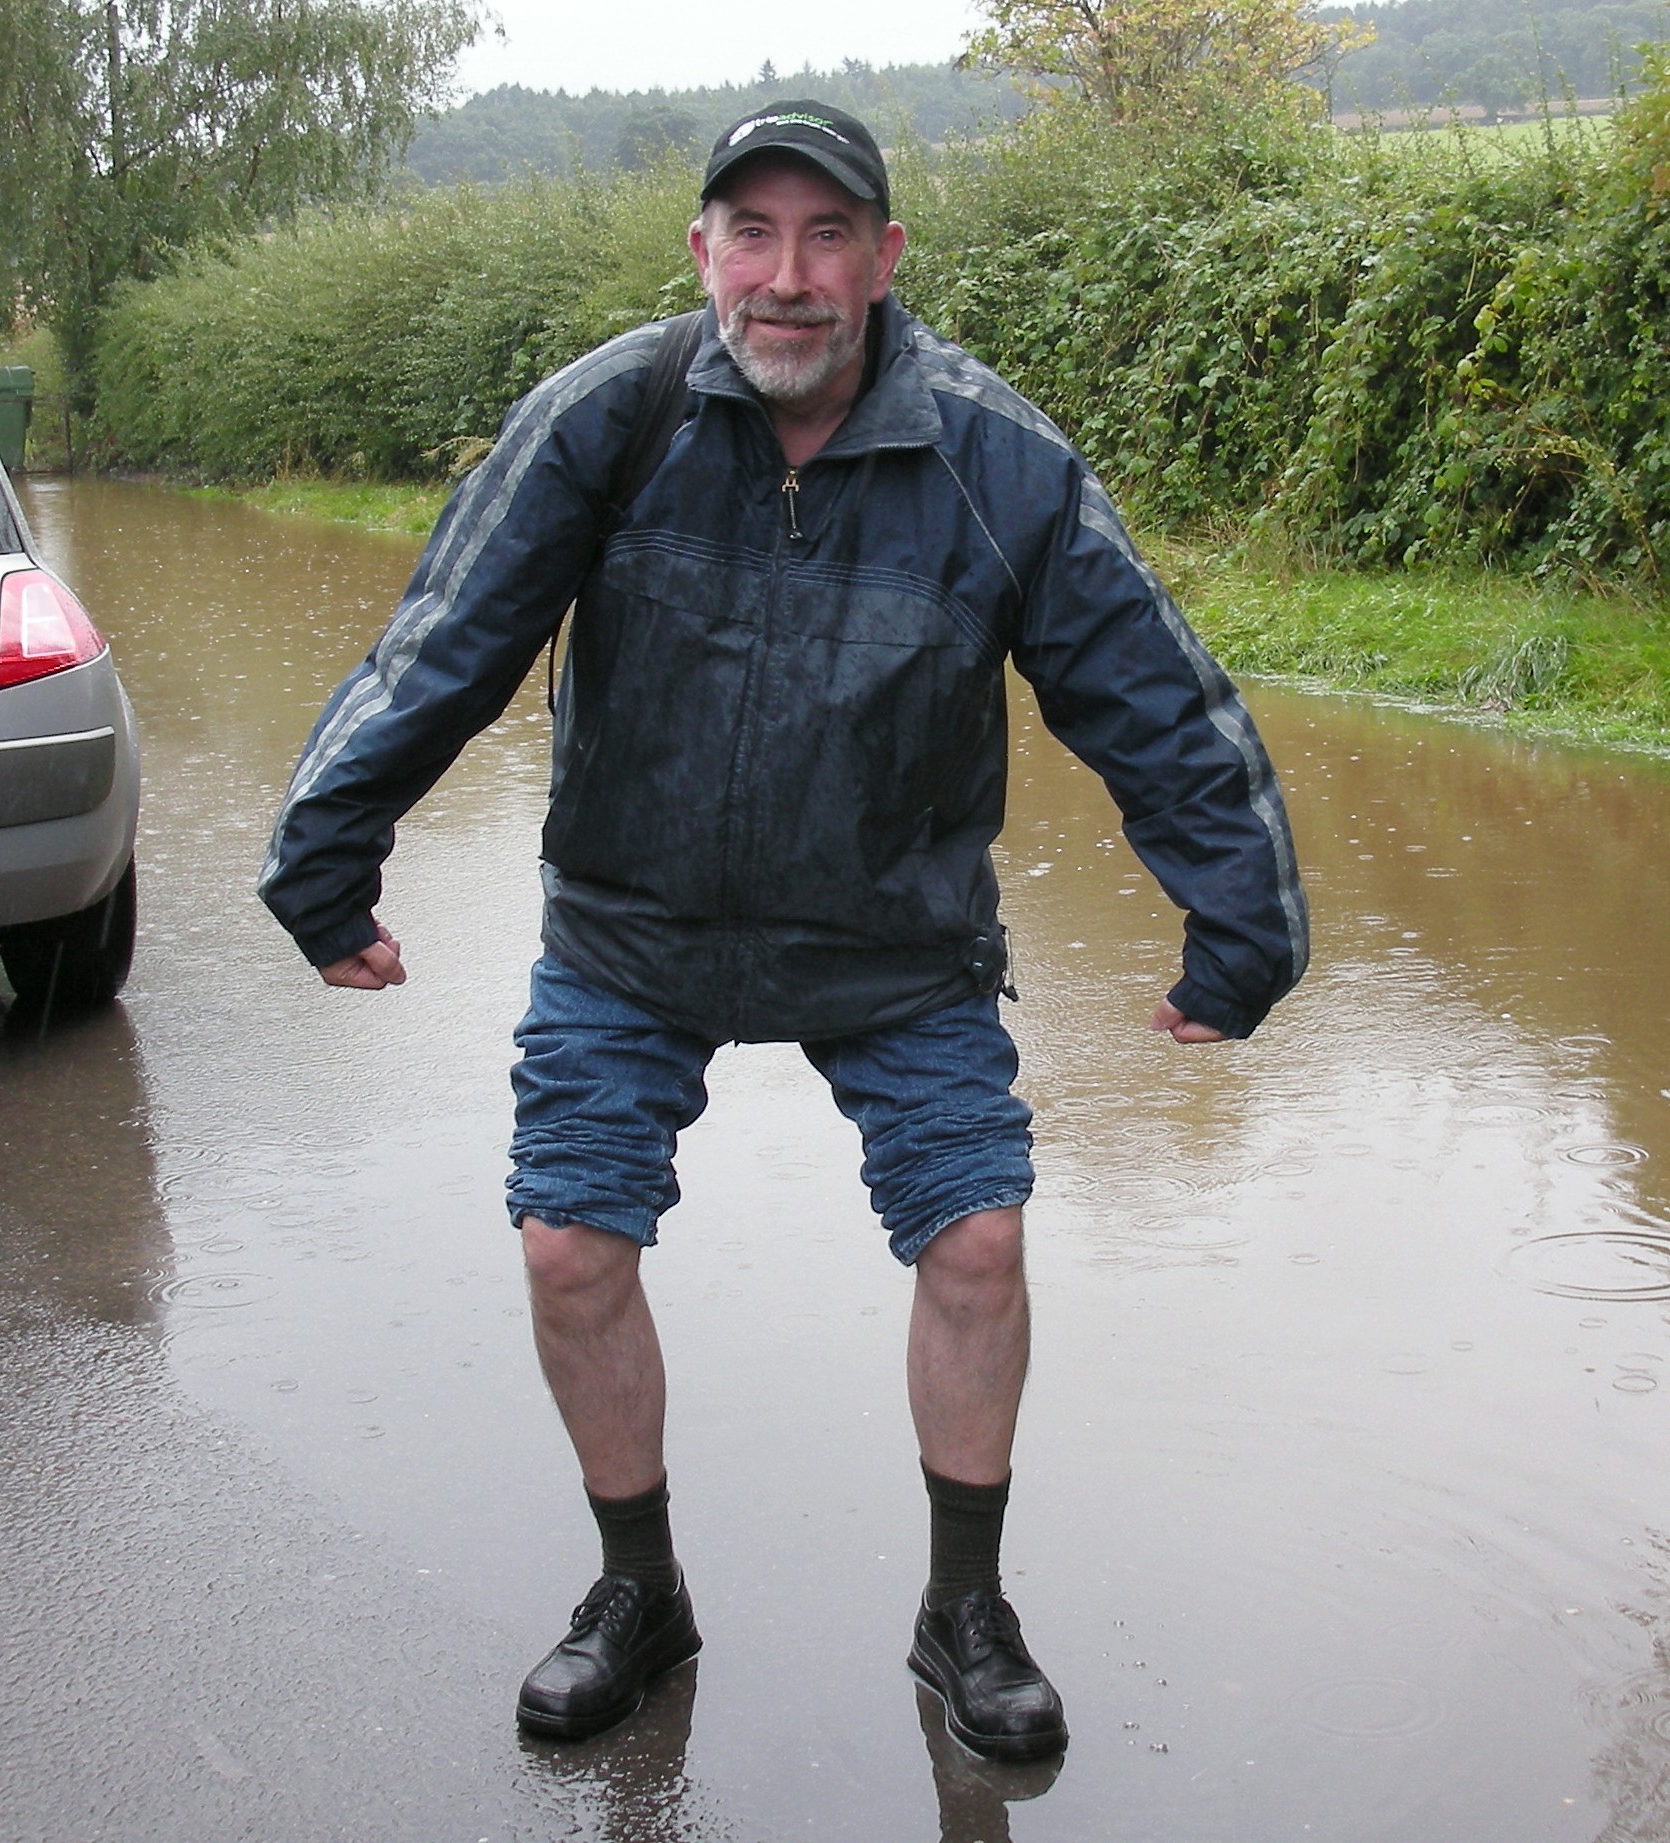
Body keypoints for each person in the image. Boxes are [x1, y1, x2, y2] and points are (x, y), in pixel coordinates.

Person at [260, 101, 1308, 1762]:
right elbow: (442, 643)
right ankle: (638, 1588)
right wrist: (328, 858)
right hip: (634, 925)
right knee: (568, 1245)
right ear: (703, 255)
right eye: (754, 235)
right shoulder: (609, 420)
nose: (790, 277)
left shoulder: (995, 460)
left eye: (830, 238)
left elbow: (1152, 696)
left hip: (894, 935)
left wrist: (1238, 919)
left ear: (888, 263)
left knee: (977, 1241)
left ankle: (965, 1608)